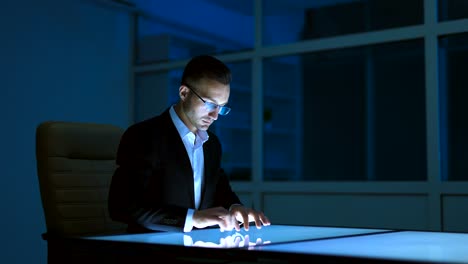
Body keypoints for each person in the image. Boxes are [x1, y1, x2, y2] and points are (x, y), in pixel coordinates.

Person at [108, 55, 271, 234]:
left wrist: (235, 207)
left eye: (221, 107)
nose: (215, 116)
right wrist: (192, 218)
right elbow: (122, 206)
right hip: (151, 251)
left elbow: (220, 189)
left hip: (198, 246)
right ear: (184, 93)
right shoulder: (143, 135)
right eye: (210, 104)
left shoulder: (212, 144)